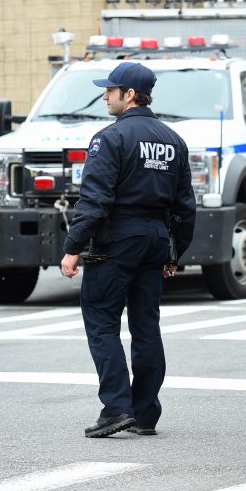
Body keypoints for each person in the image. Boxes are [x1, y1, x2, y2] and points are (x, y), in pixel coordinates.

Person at [60, 61, 196, 439]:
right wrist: (175, 252)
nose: (105, 96)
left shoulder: (110, 138)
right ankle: (145, 413)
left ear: (130, 95)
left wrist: (73, 248)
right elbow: (186, 206)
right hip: (154, 238)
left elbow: (94, 200)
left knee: (101, 322)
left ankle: (117, 408)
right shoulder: (173, 140)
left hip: (116, 239)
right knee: (146, 326)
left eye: (111, 90)